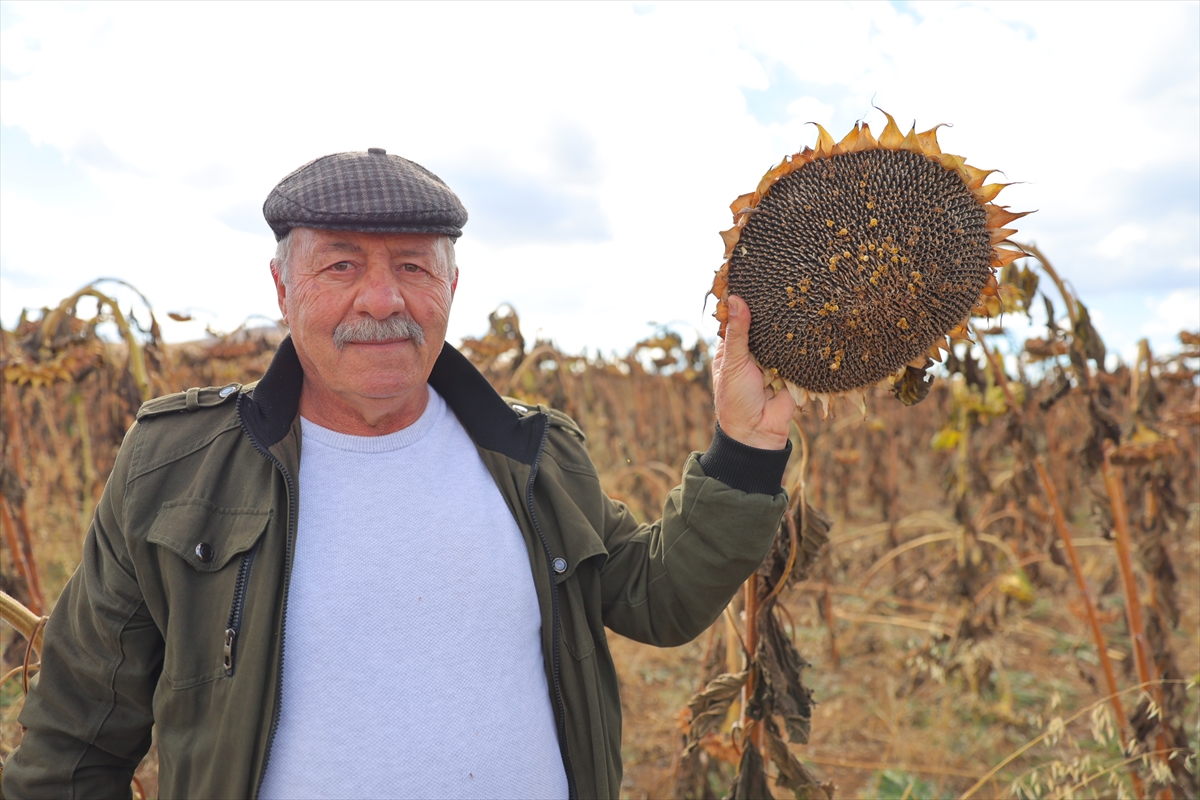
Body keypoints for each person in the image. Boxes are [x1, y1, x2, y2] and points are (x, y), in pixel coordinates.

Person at [3, 149, 795, 799]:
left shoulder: (534, 454)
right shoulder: (175, 466)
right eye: (341, 265)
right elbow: (76, 743)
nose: (382, 299)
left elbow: (656, 599)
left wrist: (746, 447)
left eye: (414, 267)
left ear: (453, 287)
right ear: (283, 287)